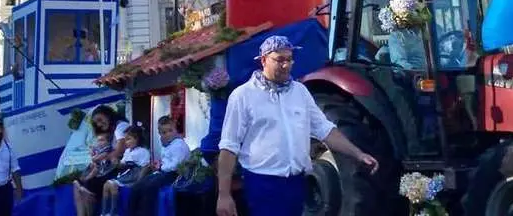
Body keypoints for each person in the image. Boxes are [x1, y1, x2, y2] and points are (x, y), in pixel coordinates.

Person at [217, 35, 379, 216]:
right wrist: (224, 195)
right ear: (263, 60)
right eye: (279, 60)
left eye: (289, 59)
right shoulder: (243, 96)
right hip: (262, 184)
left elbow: (325, 130)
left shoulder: (300, 92)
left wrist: (357, 153)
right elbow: (229, 147)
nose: (286, 65)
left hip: (296, 184)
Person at [126, 115, 190, 216]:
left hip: (176, 174)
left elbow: (175, 165)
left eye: (170, 130)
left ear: (175, 129)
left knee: (149, 188)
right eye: (164, 132)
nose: (168, 134)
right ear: (160, 133)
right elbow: (165, 160)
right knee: (137, 186)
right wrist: (159, 165)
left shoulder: (179, 144)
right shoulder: (166, 143)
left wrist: (161, 167)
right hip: (164, 172)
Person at [73, 105, 130, 216]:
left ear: (108, 115)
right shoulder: (108, 131)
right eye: (96, 123)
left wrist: (103, 157)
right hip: (106, 167)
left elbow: (120, 150)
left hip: (117, 168)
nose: (99, 124)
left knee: (86, 187)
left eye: (100, 120)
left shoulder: (121, 126)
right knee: (77, 184)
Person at [100, 125, 150, 216]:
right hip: (126, 173)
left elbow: (145, 167)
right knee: (106, 185)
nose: (126, 142)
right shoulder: (127, 151)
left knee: (112, 185)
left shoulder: (143, 151)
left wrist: (139, 181)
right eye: (125, 139)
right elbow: (122, 165)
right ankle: (104, 212)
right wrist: (116, 162)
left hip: (134, 174)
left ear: (137, 139)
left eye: (128, 139)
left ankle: (114, 212)